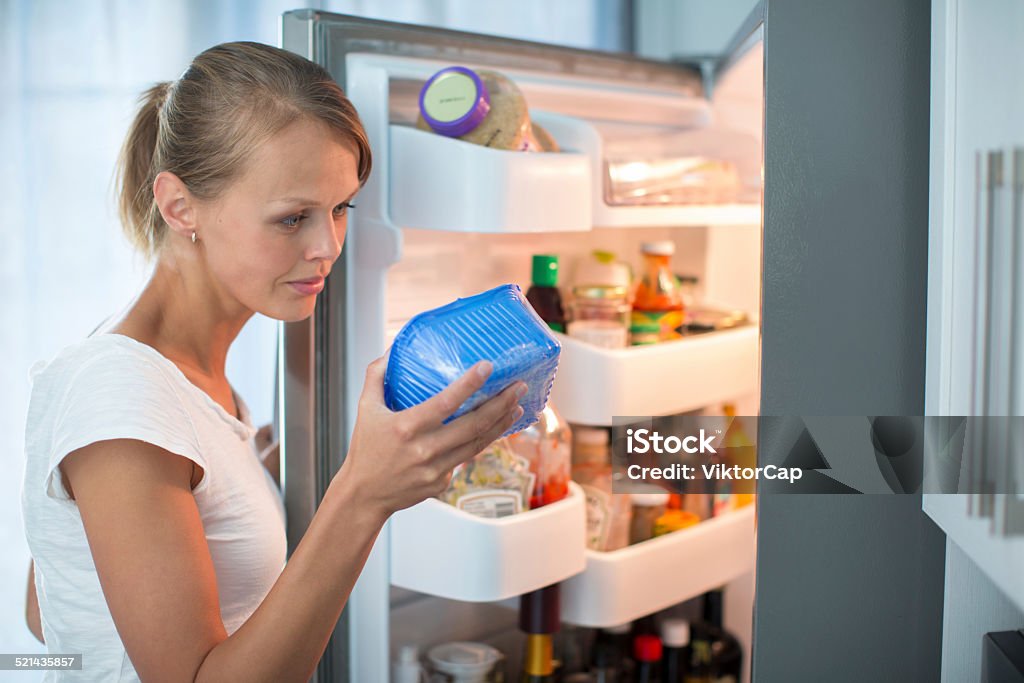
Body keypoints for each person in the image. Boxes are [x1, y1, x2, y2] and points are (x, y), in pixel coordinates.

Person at [20, 41, 525, 682]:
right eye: (292, 219)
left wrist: (254, 472)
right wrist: (364, 496)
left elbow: (49, 605)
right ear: (180, 207)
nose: (328, 246)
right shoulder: (119, 393)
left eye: (341, 208)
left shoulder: (183, 381)